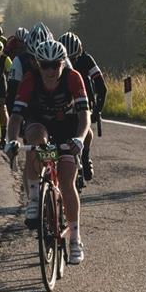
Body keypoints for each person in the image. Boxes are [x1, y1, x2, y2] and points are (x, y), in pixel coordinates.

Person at [7, 36, 90, 264]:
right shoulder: (29, 79)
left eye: (55, 64)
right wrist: (11, 140)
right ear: (37, 64)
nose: (51, 70)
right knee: (35, 141)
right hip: (39, 123)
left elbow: (85, 116)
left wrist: (80, 139)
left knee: (66, 182)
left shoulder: (74, 78)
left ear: (63, 63)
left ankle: (74, 238)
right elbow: (15, 117)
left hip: (67, 128)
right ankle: (34, 199)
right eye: (45, 65)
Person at [59, 31, 107, 183]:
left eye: (74, 58)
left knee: (87, 132)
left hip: (84, 99)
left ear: (79, 54)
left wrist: (97, 110)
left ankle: (85, 156)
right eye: (68, 58)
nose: (71, 62)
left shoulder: (86, 60)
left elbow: (101, 86)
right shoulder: (57, 62)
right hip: (64, 101)